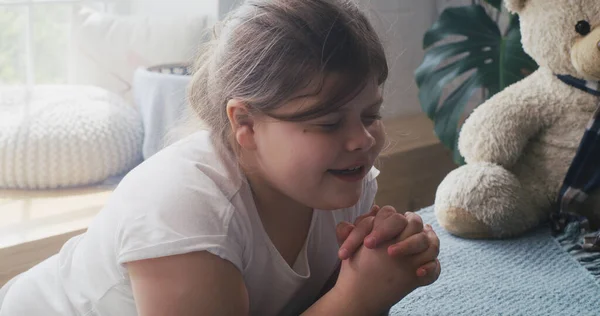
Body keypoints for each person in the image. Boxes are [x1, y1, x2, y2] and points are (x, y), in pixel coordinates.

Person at [0, 0, 441, 315]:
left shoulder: (342, 178)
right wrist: (357, 299)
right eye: (328, 123)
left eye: (372, 114)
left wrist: (381, 261)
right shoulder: (184, 210)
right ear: (245, 123)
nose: (362, 139)